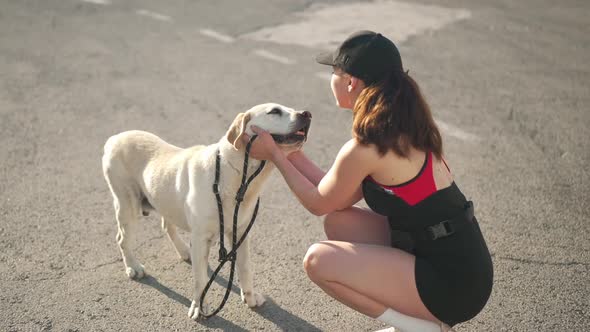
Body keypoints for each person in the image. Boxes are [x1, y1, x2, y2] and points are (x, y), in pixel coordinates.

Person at [243, 30, 493, 332]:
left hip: (452, 284)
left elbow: (315, 202)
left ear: (351, 82)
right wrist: (288, 149)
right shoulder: (400, 127)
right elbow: (331, 197)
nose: (331, 79)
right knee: (339, 223)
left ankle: (419, 328)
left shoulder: (367, 147)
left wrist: (273, 153)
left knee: (318, 261)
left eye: (334, 72)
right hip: (459, 261)